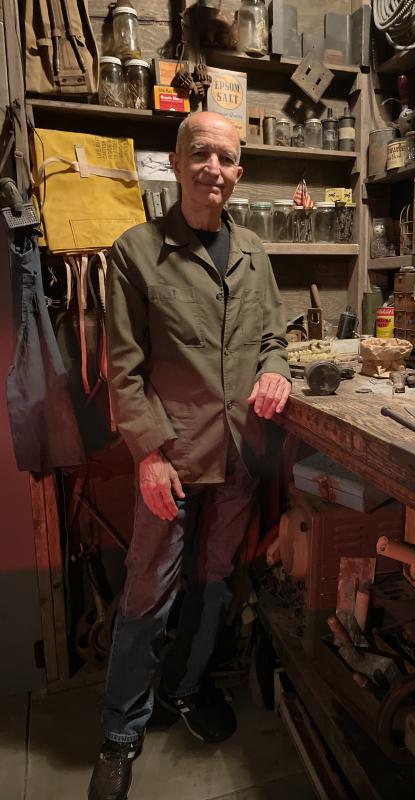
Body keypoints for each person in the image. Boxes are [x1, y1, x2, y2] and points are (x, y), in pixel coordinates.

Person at [89, 111, 291, 800]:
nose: (214, 169)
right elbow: (124, 367)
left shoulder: (258, 254)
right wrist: (147, 453)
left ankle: (184, 685)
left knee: (214, 578)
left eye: (228, 158)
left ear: (240, 173)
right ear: (176, 164)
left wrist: (279, 369)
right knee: (149, 588)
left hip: (240, 451)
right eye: (200, 153)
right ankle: (121, 730)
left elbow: (274, 339)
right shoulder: (135, 252)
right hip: (171, 456)